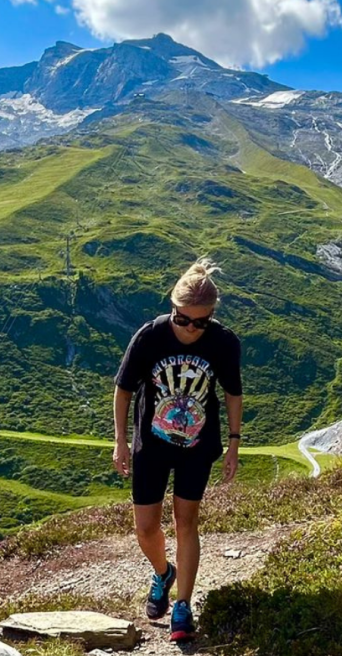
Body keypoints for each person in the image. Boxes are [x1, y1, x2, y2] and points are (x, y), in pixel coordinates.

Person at [112, 258, 243, 642]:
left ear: (211, 316)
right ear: (173, 308)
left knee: (187, 522)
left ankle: (182, 605)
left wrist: (234, 445)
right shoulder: (150, 336)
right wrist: (120, 440)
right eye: (183, 319)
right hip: (151, 446)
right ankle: (162, 572)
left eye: (200, 322)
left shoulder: (223, 342)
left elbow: (233, 394)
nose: (190, 328)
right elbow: (123, 390)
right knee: (146, 528)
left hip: (197, 447)